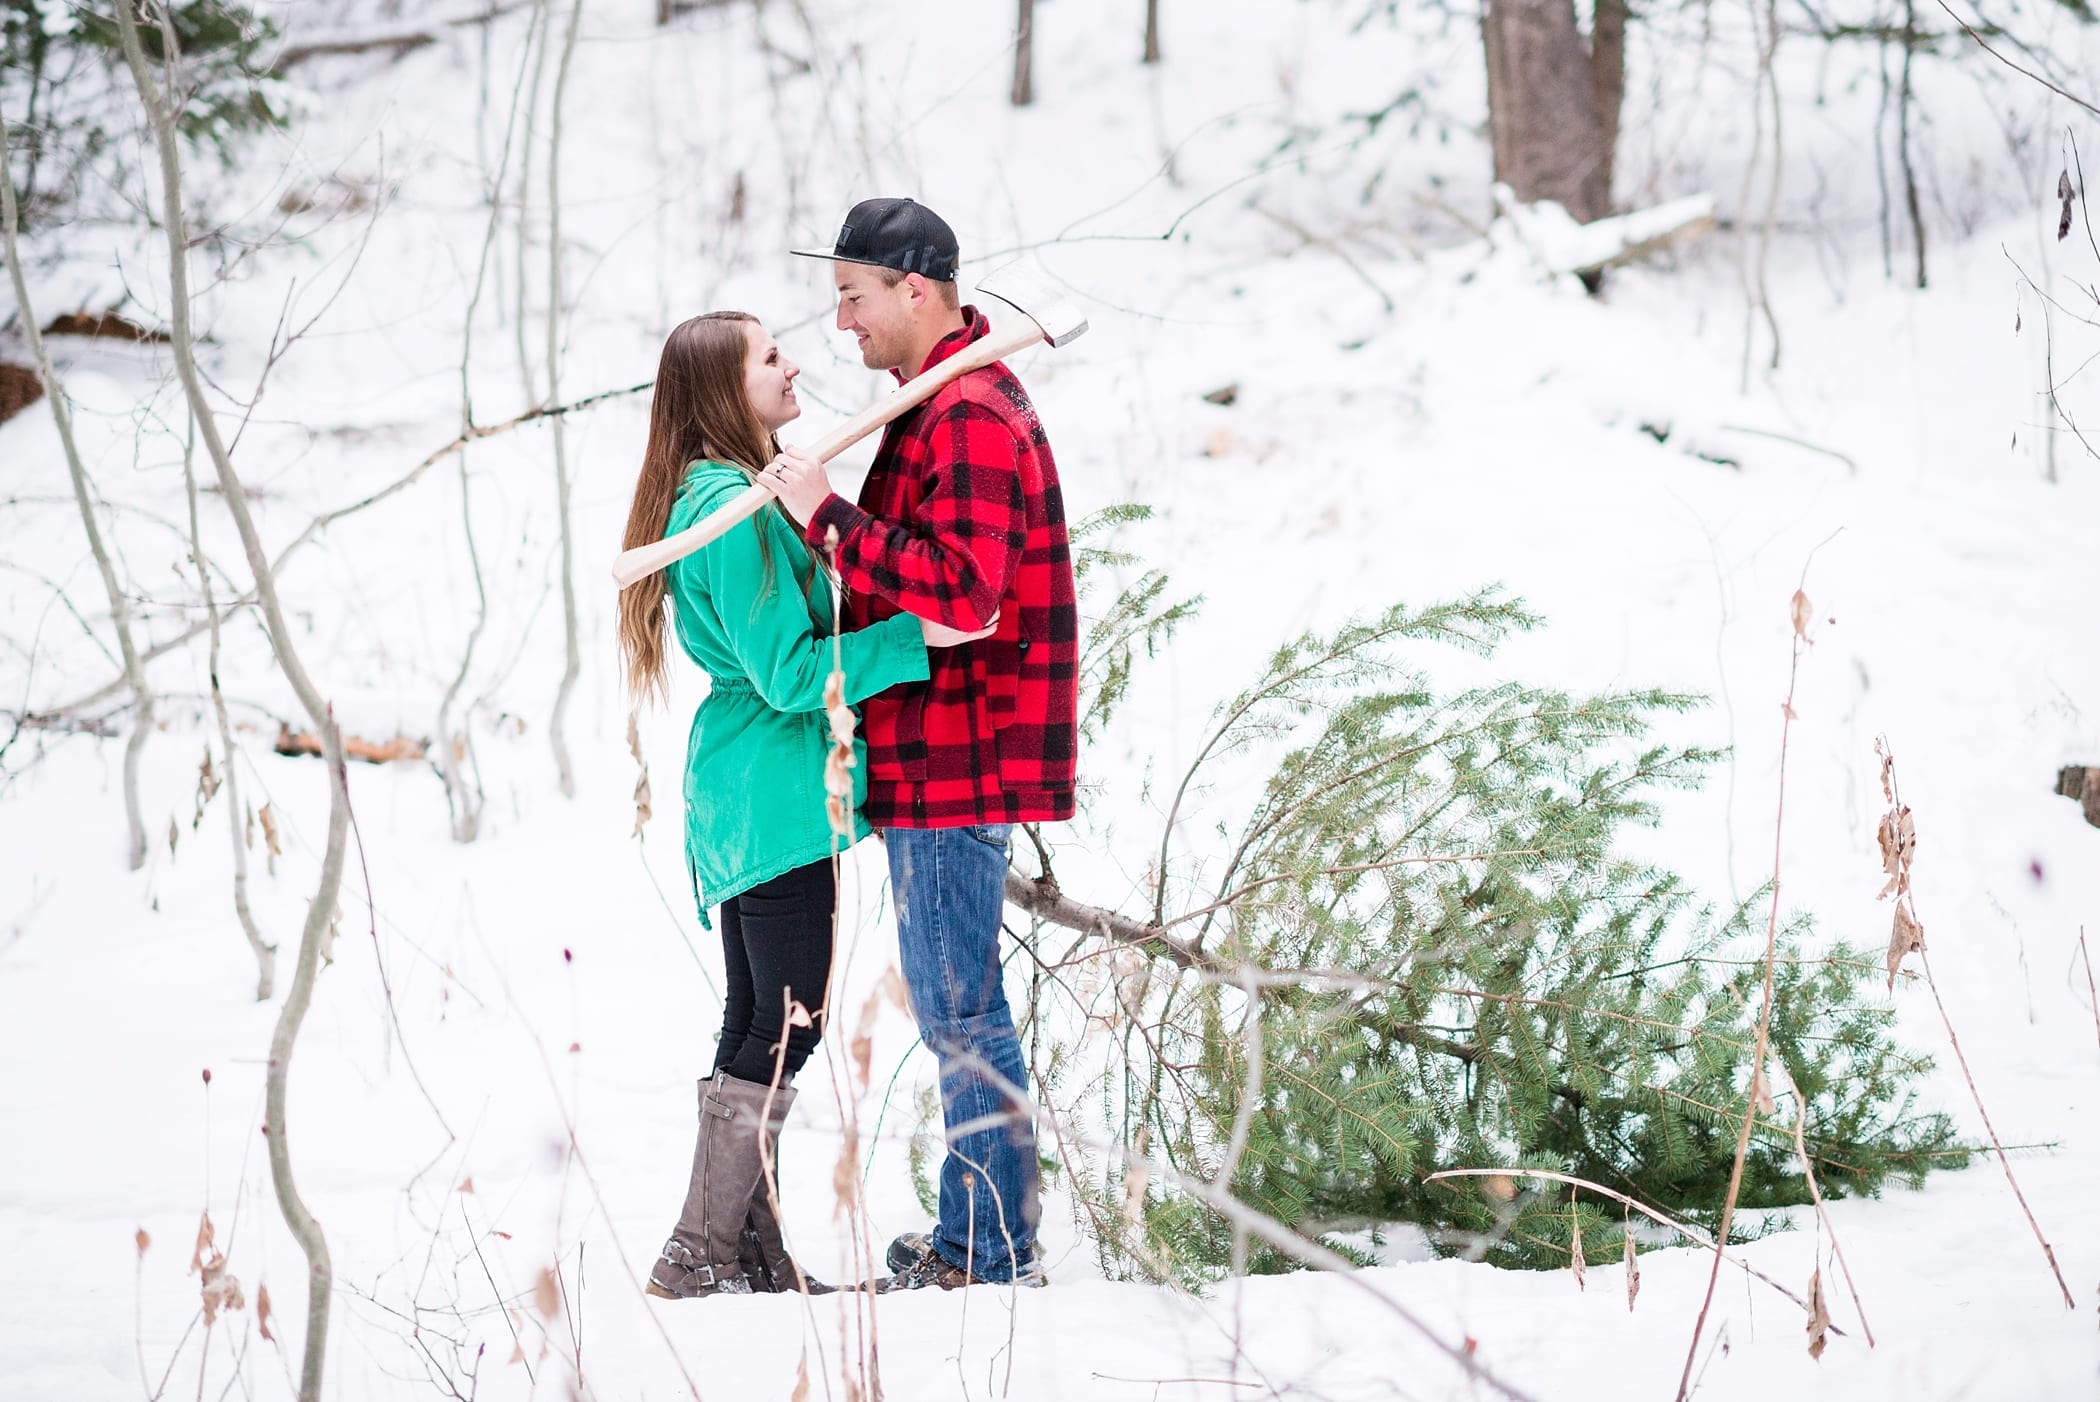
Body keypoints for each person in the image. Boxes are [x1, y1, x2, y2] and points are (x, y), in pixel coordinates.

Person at [617, 310, 992, 1300]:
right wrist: (919, 636)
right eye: (768, 358)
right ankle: (699, 1252)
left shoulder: (731, 492)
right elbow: (787, 673)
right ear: (721, 394)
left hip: (757, 788)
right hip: (774, 790)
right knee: (787, 1023)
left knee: (760, 1022)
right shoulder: (723, 507)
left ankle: (748, 1252)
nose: (792, 364)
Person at [763, 197, 1079, 1290]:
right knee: (957, 999)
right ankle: (980, 1237)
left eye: (852, 297)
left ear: (914, 289)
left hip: (962, 754)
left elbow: (969, 594)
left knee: (958, 1006)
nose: (841, 324)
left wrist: (828, 519)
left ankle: (990, 1253)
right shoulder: (932, 403)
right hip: (939, 752)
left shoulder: (971, 414)